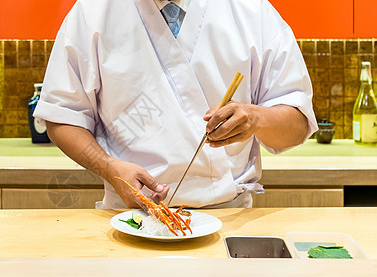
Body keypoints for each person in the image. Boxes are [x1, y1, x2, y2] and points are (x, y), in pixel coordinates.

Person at [34, 0, 318, 209]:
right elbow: (63, 115)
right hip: (128, 217)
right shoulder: (92, 12)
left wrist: (256, 118)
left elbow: (297, 123)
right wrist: (108, 167)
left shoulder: (253, 12)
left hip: (228, 217)